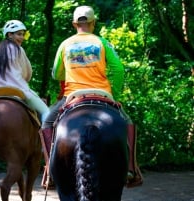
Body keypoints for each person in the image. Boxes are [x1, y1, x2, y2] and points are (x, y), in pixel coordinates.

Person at [40, 5, 143, 188]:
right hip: (101, 93)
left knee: (47, 123)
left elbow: (56, 74)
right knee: (127, 122)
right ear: (93, 23)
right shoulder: (102, 42)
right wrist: (114, 96)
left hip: (72, 95)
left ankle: (50, 171)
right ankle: (131, 168)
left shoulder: (65, 44)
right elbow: (118, 69)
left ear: (74, 24)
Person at [0, 20, 49, 122]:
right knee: (47, 112)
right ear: (10, 34)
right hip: (17, 89)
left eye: (23, 35)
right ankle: (48, 137)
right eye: (19, 34)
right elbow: (27, 74)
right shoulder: (18, 49)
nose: (22, 38)